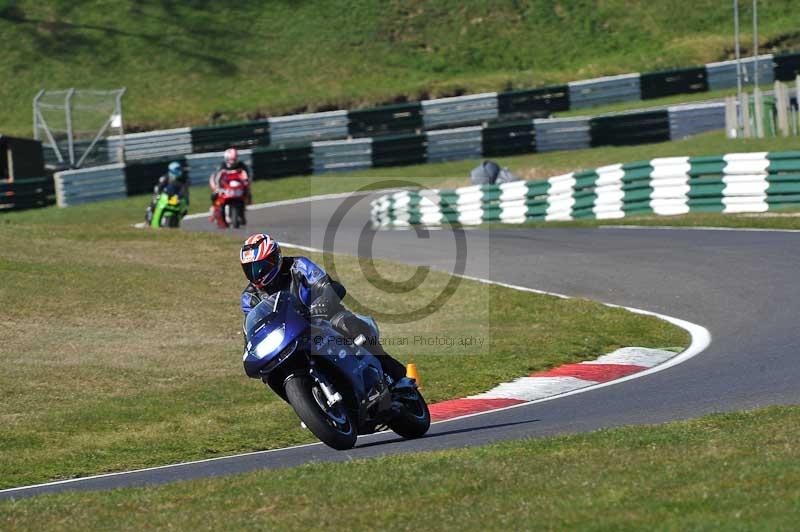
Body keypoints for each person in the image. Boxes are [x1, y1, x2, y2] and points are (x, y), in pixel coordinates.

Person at [239, 233, 407, 383]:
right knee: (272, 374)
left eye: (261, 266)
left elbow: (327, 284)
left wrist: (323, 301)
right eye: (250, 269)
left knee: (350, 326)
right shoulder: (249, 296)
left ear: (275, 258)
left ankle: (396, 376)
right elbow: (252, 327)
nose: (257, 274)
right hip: (288, 335)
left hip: (322, 318)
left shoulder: (297, 266)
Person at [209, 147, 252, 224]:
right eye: (230, 159)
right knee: (214, 195)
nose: (232, 162)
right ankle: (214, 209)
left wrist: (246, 184)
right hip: (225, 187)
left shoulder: (241, 165)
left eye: (234, 159)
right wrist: (217, 187)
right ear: (226, 158)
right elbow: (217, 177)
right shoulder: (222, 166)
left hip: (238, 187)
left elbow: (246, 176)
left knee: (247, 193)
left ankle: (242, 211)